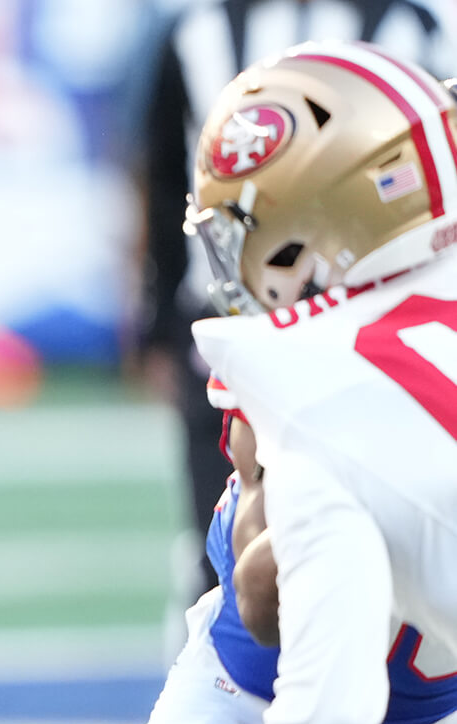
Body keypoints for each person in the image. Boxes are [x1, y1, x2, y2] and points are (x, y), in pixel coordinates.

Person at [53, 40, 457, 724]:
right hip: (253, 721)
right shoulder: (305, 364)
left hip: (304, 721)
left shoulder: (300, 373)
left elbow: (320, 689)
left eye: (248, 229)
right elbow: (266, 594)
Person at [132, 0, 452, 616]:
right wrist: (157, 321)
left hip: (374, 325)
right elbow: (165, 176)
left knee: (382, 554)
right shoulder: (197, 29)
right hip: (240, 322)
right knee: (231, 555)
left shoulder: (405, 22)